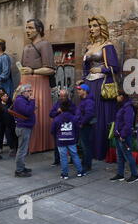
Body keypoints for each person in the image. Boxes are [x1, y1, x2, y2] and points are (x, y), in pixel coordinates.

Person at [79, 15, 118, 161]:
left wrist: (101, 70)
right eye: (90, 26)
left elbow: (115, 67)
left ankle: (100, 151)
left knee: (100, 117)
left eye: (95, 25)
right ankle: (87, 150)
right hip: (88, 85)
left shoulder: (108, 46)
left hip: (101, 85)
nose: (92, 29)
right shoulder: (89, 47)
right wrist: (82, 80)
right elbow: (85, 68)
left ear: (102, 27)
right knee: (87, 115)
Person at [19, 19, 55, 153]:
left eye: (30, 28)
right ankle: (26, 143)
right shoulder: (26, 47)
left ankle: (40, 143)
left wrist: (33, 71)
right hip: (26, 82)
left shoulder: (45, 44)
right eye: (26, 28)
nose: (27, 31)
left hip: (40, 83)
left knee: (38, 112)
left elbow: (50, 69)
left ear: (39, 29)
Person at [51, 100, 85, 179]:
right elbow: (77, 129)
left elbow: (53, 130)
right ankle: (80, 172)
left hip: (60, 140)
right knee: (74, 155)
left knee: (63, 157)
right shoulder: (74, 118)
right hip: (71, 139)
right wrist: (75, 138)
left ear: (61, 109)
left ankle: (65, 174)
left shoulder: (57, 119)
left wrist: (57, 137)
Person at [110, 90, 138, 183]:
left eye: (117, 96)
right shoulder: (122, 106)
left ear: (122, 97)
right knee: (120, 156)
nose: (116, 98)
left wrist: (123, 135)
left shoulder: (128, 108)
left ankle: (135, 175)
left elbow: (128, 123)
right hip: (118, 135)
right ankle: (120, 174)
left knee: (128, 155)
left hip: (124, 136)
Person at [13, 84, 36, 177]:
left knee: (23, 149)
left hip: (25, 127)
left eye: (31, 90)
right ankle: (19, 170)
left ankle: (21, 167)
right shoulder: (20, 100)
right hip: (23, 128)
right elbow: (27, 111)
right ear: (23, 92)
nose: (31, 93)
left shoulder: (23, 100)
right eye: (29, 91)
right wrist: (32, 101)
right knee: (22, 150)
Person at [49, 89, 76, 166]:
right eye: (61, 96)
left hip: (69, 127)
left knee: (71, 144)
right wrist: (57, 111)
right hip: (58, 128)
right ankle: (57, 160)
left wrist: (65, 110)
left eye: (64, 96)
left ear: (67, 96)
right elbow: (51, 114)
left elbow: (75, 113)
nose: (62, 97)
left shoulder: (71, 104)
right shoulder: (57, 104)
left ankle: (72, 160)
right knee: (57, 144)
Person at [76, 84, 96, 173]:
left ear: (85, 91)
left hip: (86, 126)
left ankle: (87, 166)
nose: (78, 91)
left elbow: (89, 114)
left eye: (80, 89)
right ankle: (85, 163)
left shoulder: (89, 102)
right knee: (84, 146)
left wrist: (82, 123)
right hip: (83, 125)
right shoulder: (84, 100)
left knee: (86, 147)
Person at [0, 90, 18, 157]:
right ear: (1, 97)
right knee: (0, 135)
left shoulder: (10, 104)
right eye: (4, 96)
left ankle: (12, 148)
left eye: (7, 96)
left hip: (9, 123)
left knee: (10, 135)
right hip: (1, 123)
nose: (6, 97)